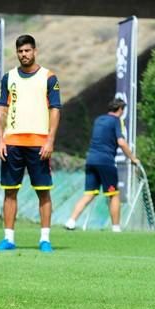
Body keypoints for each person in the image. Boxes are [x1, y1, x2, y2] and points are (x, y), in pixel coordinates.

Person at [0, 34, 61, 253]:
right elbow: (2, 110)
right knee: (10, 191)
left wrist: (50, 140)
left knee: (43, 191)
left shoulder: (48, 77)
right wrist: (0, 140)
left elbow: (55, 109)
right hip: (12, 143)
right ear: (17, 53)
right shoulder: (8, 78)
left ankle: (45, 239)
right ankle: (9, 239)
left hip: (39, 142)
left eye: (28, 50)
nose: (24, 55)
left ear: (35, 51)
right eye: (20, 51)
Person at [64, 99, 139, 232]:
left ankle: (71, 221)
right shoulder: (117, 121)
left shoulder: (98, 119)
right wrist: (133, 158)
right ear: (121, 109)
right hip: (106, 162)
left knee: (89, 194)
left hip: (91, 160)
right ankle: (116, 228)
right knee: (113, 194)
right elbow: (121, 142)